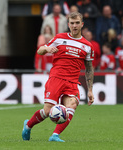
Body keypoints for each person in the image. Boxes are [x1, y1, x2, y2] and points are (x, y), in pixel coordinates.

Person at [22, 12, 94, 142]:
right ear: (68, 25)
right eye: (72, 23)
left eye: (77, 23)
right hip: (56, 78)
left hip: (72, 82)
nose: (74, 25)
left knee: (72, 105)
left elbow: (89, 68)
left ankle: (55, 135)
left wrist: (90, 90)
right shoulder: (59, 38)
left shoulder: (88, 46)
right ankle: (28, 125)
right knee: (48, 111)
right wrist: (47, 49)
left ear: (82, 24)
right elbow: (40, 50)